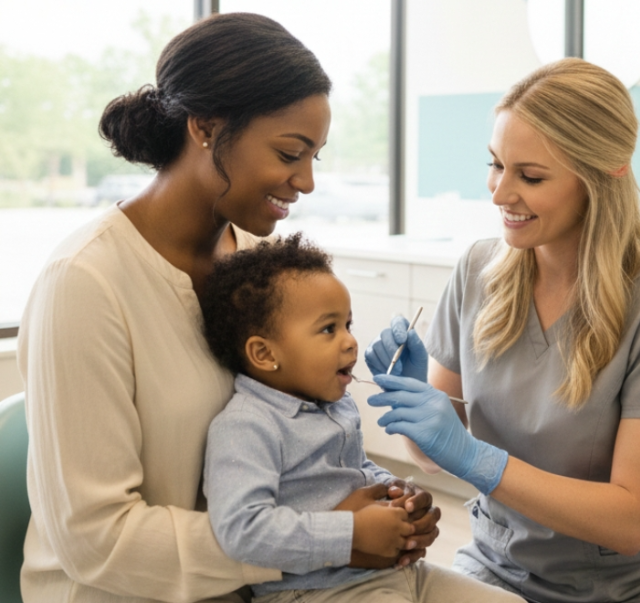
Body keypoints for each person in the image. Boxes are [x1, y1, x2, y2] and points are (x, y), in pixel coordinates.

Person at [16, 13, 437, 603]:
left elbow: (300, 443)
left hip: (277, 581)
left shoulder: (259, 270)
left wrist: (388, 505)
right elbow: (94, 541)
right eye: (290, 152)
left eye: (314, 157)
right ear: (207, 128)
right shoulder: (84, 284)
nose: (307, 182)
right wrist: (333, 538)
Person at [365, 58, 640, 603]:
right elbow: (433, 454)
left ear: (605, 172)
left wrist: (477, 459)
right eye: (496, 165)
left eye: (530, 177)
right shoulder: (478, 271)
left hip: (631, 585)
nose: (499, 193)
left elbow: (630, 523)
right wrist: (415, 403)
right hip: (498, 565)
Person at [198, 234, 523, 603]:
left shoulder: (336, 406)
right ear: (264, 353)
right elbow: (242, 531)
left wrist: (396, 491)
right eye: (328, 328)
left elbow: (355, 470)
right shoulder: (246, 426)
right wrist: (351, 533)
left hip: (396, 574)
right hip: (314, 592)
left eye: (348, 325)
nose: (350, 342)